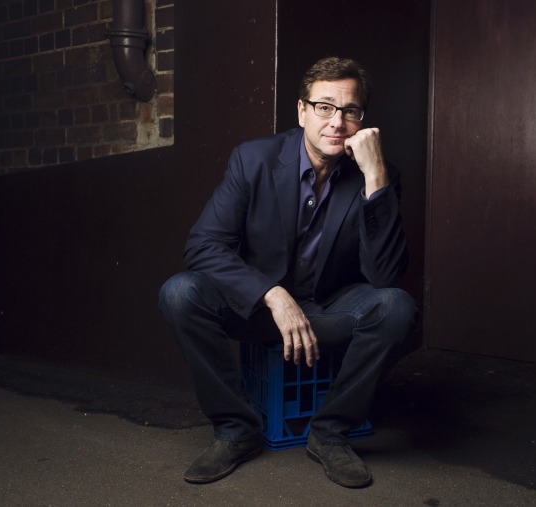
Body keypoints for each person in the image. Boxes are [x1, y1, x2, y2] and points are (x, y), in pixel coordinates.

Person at [158, 56, 417, 488]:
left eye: (349, 111)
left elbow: (386, 276)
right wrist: (271, 294)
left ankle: (330, 433)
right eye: (325, 107)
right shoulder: (254, 160)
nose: (337, 122)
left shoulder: (378, 177)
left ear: (362, 119)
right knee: (179, 293)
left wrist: (376, 177)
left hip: (329, 309)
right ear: (302, 110)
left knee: (397, 308)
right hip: (258, 310)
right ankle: (236, 431)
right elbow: (202, 244)